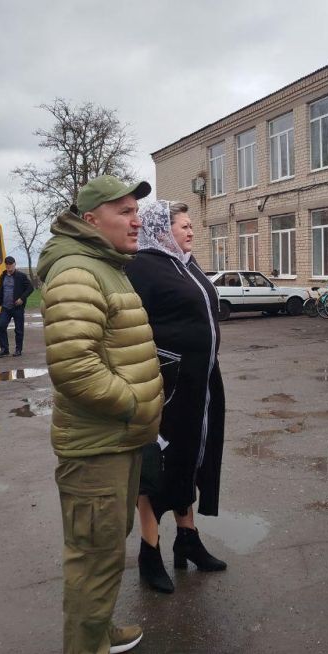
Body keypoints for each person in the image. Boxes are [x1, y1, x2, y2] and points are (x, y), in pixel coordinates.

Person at [35, 175, 162, 654]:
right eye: (124, 211)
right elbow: (73, 365)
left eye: (137, 210)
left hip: (119, 440)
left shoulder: (105, 264)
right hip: (98, 444)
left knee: (108, 547)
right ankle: (85, 646)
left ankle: (99, 631)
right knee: (93, 557)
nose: (137, 220)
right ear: (91, 220)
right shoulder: (77, 271)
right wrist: (133, 403)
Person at [126, 201, 227, 594]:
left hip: (201, 382)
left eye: (191, 226)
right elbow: (130, 329)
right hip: (167, 385)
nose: (191, 231)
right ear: (161, 228)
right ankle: (149, 553)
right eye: (184, 225)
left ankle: (187, 539)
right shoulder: (143, 267)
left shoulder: (185, 263)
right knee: (158, 464)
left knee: (193, 457)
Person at [0, 256, 33, 358]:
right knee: (1, 327)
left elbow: (30, 288)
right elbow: (0, 289)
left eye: (11, 264)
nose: (9, 266)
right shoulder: (3, 276)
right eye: (7, 265)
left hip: (17, 307)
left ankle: (18, 349)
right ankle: (4, 349)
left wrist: (22, 299)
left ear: (14, 265)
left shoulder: (21, 276)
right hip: (5, 307)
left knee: (18, 330)